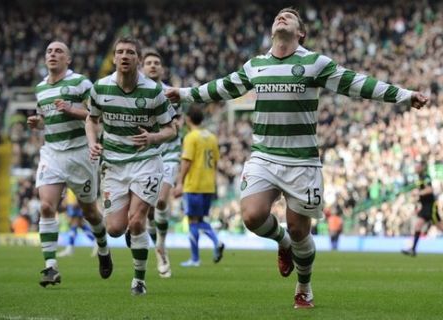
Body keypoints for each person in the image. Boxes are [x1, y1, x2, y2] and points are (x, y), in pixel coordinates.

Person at [166, 7, 428, 308]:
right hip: (264, 156)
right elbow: (222, 87)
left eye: (289, 16)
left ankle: (304, 286)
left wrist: (404, 95)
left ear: (300, 32)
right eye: (278, 15)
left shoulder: (314, 63)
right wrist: (185, 94)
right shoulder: (256, 65)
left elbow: (357, 83)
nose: (282, 16)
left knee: (300, 229)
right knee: (251, 216)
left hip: (302, 161)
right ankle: (283, 243)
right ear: (271, 30)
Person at [86, 37, 177, 296]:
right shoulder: (100, 88)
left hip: (146, 161)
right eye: (120, 52)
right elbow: (91, 120)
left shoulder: (152, 91)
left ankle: (139, 279)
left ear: (138, 59)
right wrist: (93, 142)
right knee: (115, 229)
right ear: (114, 58)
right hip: (113, 164)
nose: (124, 56)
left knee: (136, 221)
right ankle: (122, 241)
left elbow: (172, 128)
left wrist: (153, 137)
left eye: (130, 52)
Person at [28, 41, 112, 288]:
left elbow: (98, 115)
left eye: (59, 51)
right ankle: (50, 266)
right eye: (49, 52)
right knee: (45, 206)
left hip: (80, 153)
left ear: (69, 59)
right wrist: (38, 123)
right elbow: (47, 119)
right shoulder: (41, 88)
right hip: (52, 152)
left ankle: (103, 248)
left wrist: (71, 110)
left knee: (90, 212)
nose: (53, 54)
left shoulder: (81, 83)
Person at [141, 49, 182, 278]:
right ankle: (156, 243)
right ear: (142, 67)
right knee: (147, 210)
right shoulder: (135, 92)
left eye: (157, 62)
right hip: (145, 155)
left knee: (160, 201)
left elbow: (177, 126)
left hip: (169, 154)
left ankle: (161, 247)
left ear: (162, 68)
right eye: (149, 63)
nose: (153, 66)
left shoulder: (170, 93)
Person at [173, 106, 225, 267]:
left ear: (188, 119)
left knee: (193, 221)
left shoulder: (191, 137)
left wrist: (180, 182)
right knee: (200, 219)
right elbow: (216, 161)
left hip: (194, 185)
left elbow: (187, 160)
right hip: (208, 185)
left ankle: (199, 256)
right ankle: (209, 247)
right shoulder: (212, 137)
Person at [402, 162, 443, 256]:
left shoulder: (426, 177)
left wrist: (418, 193)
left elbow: (430, 190)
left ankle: (413, 249)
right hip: (425, 207)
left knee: (440, 227)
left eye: (417, 167)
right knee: (417, 226)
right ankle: (413, 249)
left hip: (431, 206)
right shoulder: (419, 178)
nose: (415, 168)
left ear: (422, 168)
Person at [57, 189, 98, 257]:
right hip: (71, 202)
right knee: (79, 224)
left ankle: (70, 247)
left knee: (74, 224)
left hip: (75, 203)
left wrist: (77, 201)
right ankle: (96, 241)